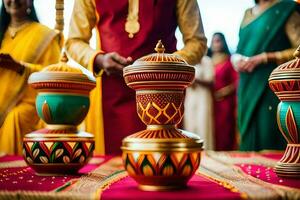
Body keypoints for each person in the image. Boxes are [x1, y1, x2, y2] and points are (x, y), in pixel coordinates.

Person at [65, 0, 207, 155]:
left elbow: (197, 42)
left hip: (163, 93)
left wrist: (163, 65)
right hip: (110, 90)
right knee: (108, 165)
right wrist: (99, 59)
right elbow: (74, 41)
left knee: (161, 162)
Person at [234, 0, 300, 151]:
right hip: (247, 83)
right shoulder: (247, 13)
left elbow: (298, 49)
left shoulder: (285, 9)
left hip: (272, 83)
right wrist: (236, 59)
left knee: (267, 133)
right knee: (247, 135)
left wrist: (266, 57)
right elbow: (240, 48)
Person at [0, 0, 62, 155]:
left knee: (16, 116)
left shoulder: (44, 35)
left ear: (30, 2)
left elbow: (52, 74)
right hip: (2, 99)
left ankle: (12, 168)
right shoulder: (2, 34)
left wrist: (21, 68)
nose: (13, 1)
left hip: (32, 103)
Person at [208, 32, 237, 151]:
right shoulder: (207, 61)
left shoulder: (229, 61)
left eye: (219, 40)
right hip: (209, 102)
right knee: (211, 130)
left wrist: (222, 93)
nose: (216, 43)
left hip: (224, 102)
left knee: (225, 130)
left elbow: (236, 82)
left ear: (224, 42)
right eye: (214, 41)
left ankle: (227, 154)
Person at [184, 56, 214, 150]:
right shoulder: (188, 61)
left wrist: (195, 80)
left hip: (203, 97)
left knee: (203, 123)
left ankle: (205, 151)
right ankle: (191, 151)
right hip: (191, 97)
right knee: (190, 124)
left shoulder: (207, 61)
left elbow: (211, 82)